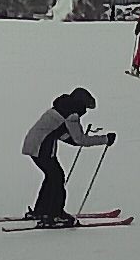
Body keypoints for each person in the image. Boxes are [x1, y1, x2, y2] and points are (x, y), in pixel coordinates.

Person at [20, 87, 111, 226]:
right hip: (41, 148)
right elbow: (80, 140)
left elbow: (61, 133)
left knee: (52, 177)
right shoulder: (71, 114)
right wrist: (104, 139)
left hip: (34, 145)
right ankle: (56, 214)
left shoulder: (61, 108)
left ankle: (42, 211)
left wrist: (76, 139)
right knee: (57, 178)